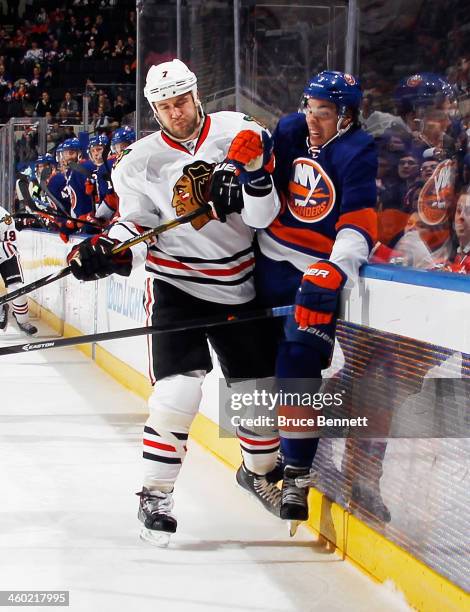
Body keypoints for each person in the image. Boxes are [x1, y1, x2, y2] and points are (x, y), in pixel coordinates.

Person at [65, 59, 283, 544]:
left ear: (196, 95)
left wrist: (251, 176)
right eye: (163, 106)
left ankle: (260, 472)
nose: (174, 112)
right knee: (178, 392)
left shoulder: (236, 130)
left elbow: (265, 217)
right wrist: (110, 249)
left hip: (240, 284)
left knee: (256, 396)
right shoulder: (138, 162)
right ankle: (155, 494)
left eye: (180, 102)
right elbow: (136, 224)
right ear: (153, 109)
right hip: (176, 286)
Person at [251, 71, 378, 528]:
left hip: (314, 274)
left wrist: (335, 266)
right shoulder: (288, 130)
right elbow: (258, 191)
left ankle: (297, 477)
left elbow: (360, 219)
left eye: (323, 113)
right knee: (255, 370)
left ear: (346, 117)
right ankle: (257, 466)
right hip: (266, 263)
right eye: (309, 108)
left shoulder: (359, 149)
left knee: (298, 367)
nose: (312, 120)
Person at [0, 205, 38, 335]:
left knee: (16, 288)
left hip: (6, 253)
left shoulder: (3, 217)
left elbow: (10, 245)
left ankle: (23, 321)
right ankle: (1, 308)